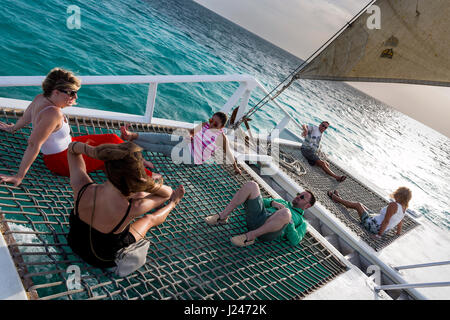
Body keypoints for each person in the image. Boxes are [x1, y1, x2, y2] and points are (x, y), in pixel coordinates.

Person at [0, 68, 158, 186]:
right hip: (61, 161)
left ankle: (140, 160)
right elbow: (33, 144)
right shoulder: (53, 114)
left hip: (69, 146)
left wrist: (12, 128)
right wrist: (19, 176)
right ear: (55, 92)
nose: (75, 97)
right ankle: (146, 176)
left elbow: (27, 117)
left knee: (113, 138)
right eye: (71, 93)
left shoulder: (40, 98)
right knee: (112, 155)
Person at [66, 140, 185, 269]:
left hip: (74, 243)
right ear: (136, 176)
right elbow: (167, 193)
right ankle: (174, 204)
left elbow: (72, 148)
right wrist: (147, 184)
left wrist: (94, 152)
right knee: (148, 219)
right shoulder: (133, 208)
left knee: (139, 196)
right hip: (103, 259)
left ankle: (140, 192)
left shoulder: (81, 185)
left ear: (107, 168)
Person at [120, 112, 242, 174]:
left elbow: (229, 153)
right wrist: (189, 137)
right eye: (211, 120)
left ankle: (132, 141)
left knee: (165, 148)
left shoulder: (221, 137)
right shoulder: (205, 124)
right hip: (189, 144)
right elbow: (191, 132)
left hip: (193, 158)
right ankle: (132, 135)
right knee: (166, 137)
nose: (210, 124)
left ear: (221, 127)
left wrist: (235, 167)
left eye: (215, 124)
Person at [204, 181, 316, 247]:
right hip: (258, 217)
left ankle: (250, 237)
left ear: (307, 206)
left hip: (266, 233)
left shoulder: (302, 222)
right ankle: (222, 216)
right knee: (252, 185)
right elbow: (260, 201)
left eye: (302, 197)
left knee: (286, 213)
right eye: (298, 194)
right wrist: (272, 203)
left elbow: (295, 240)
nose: (297, 197)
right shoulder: (283, 202)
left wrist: (289, 221)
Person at [327, 187, 412, 237]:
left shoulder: (394, 205)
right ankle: (340, 200)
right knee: (364, 207)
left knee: (358, 205)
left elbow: (386, 221)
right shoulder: (404, 208)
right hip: (378, 224)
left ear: (399, 195)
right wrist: (398, 233)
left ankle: (336, 199)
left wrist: (378, 235)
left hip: (374, 226)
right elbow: (400, 222)